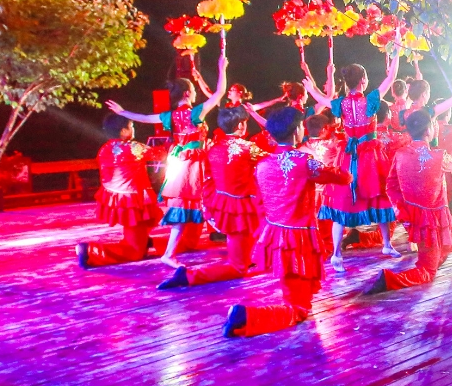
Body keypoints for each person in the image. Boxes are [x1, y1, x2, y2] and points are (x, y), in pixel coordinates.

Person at [223, 107, 350, 337]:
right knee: (299, 309)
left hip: (276, 236)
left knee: (296, 297)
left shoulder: (263, 163)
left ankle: (248, 315)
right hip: (299, 240)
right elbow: (342, 178)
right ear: (296, 130)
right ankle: (245, 315)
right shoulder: (305, 161)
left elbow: (260, 200)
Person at [105, 37, 229, 265]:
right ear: (187, 94)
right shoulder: (195, 113)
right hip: (192, 165)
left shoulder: (170, 116)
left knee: (192, 207)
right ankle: (174, 253)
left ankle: (175, 252)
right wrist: (222, 69)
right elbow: (219, 93)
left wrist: (123, 112)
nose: (195, 93)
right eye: (193, 90)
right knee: (206, 203)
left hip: (180, 162)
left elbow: (143, 118)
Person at [303, 51, 401, 269]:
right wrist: (396, 53)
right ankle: (386, 244)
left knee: (343, 200)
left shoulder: (340, 103)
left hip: (349, 157)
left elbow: (321, 99)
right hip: (370, 157)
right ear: (363, 80)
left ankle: (337, 254)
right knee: (379, 196)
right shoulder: (371, 100)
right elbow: (391, 77)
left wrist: (311, 89)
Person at [157, 105, 266, 289]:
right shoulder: (248, 148)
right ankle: (190, 276)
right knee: (238, 268)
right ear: (240, 125)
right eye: (245, 123)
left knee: (245, 251)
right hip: (242, 209)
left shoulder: (214, 148)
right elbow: (272, 161)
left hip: (224, 206)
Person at [366, 109, 452, 293]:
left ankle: (430, 260)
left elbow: (391, 186)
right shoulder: (439, 156)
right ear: (429, 130)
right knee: (428, 271)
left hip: (412, 217)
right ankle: (390, 280)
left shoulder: (400, 154)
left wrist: (402, 210)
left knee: (441, 252)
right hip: (431, 224)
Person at [76, 114, 163, 268]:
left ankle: (144, 242)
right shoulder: (133, 147)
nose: (133, 129)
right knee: (135, 252)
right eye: (131, 126)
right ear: (123, 131)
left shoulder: (104, 149)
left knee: (149, 223)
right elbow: (160, 155)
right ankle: (91, 251)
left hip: (117, 199)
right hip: (133, 200)